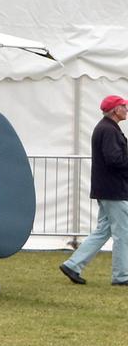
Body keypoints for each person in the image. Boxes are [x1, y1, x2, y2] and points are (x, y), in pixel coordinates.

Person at [61, 94, 128, 285]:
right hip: (114, 190)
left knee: (103, 230)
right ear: (116, 110)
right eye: (124, 107)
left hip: (107, 189)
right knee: (123, 233)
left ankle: (73, 265)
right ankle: (121, 276)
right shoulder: (109, 130)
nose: (126, 110)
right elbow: (114, 159)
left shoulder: (105, 127)